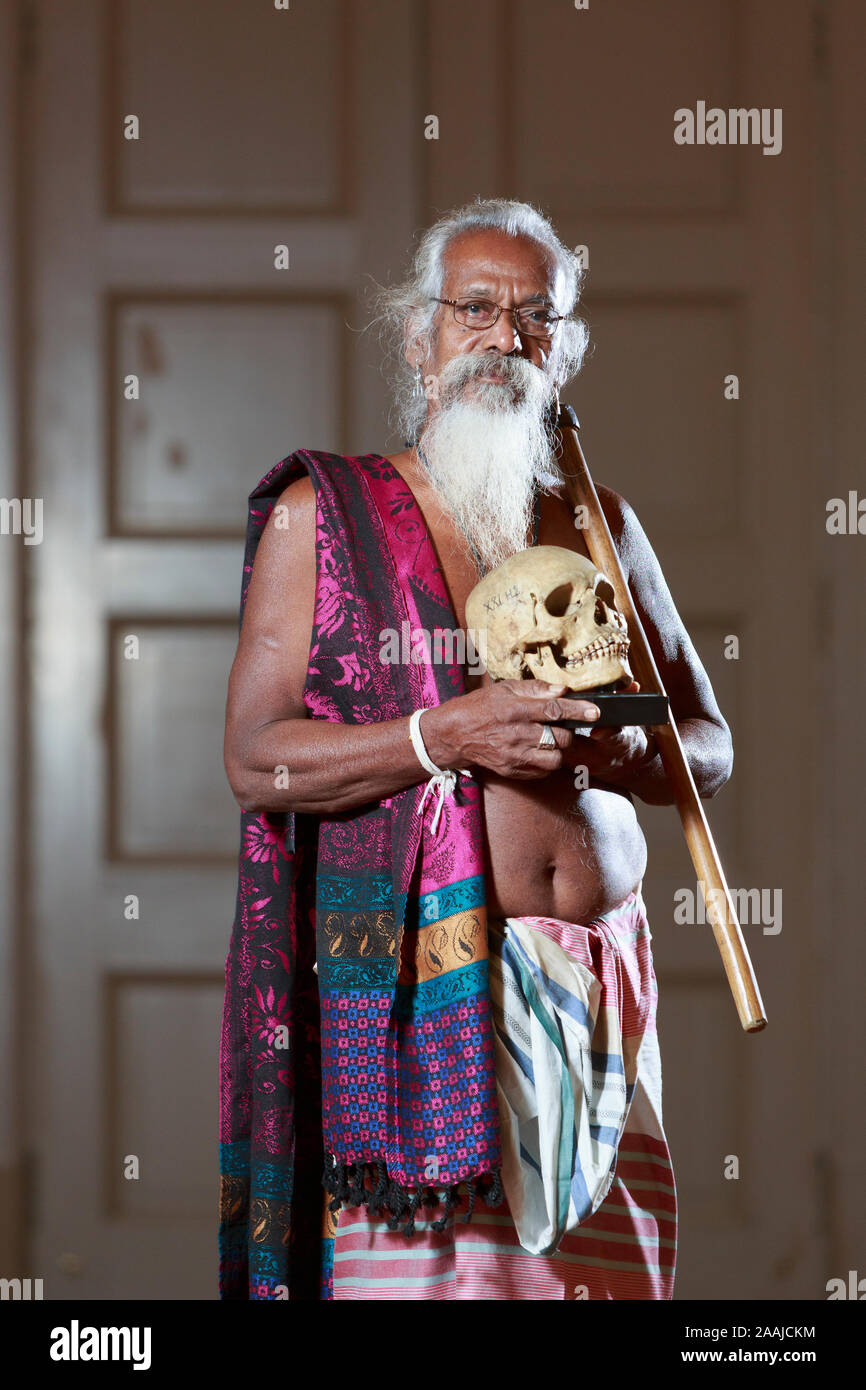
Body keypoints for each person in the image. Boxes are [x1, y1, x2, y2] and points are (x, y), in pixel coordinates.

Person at [218, 197, 733, 1301]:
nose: (506, 339)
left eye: (536, 318)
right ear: (421, 338)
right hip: (424, 1002)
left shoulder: (597, 520)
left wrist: (597, 739)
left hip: (601, 993)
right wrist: (440, 735)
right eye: (477, 310)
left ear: (567, 350)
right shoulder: (325, 513)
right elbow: (257, 756)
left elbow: (707, 741)